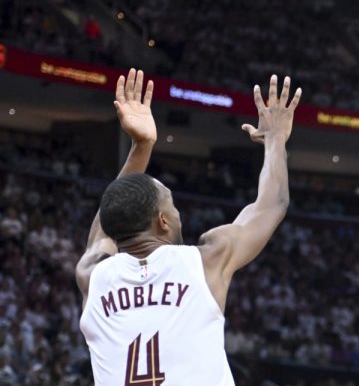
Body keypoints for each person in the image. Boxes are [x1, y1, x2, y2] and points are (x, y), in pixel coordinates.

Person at [75, 69, 301, 384]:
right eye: (172, 205)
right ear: (163, 220)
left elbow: (107, 220)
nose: (178, 212)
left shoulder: (93, 275)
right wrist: (275, 138)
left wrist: (142, 146)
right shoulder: (204, 262)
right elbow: (272, 204)